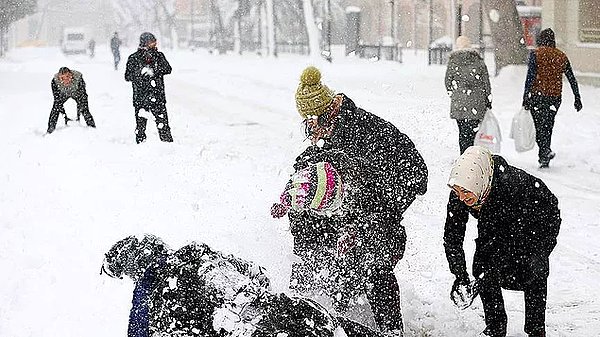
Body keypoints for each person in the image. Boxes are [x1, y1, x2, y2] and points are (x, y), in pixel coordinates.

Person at [285, 66, 428, 336]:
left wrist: (377, 213)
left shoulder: (363, 131)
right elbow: (314, 170)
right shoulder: (332, 133)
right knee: (318, 238)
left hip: (389, 199)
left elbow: (410, 175)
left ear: (327, 114)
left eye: (312, 123)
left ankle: (390, 330)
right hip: (358, 204)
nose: (311, 131)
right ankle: (330, 311)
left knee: (374, 260)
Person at [101, 234, 387, 337]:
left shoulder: (152, 303)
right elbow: (257, 272)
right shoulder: (197, 251)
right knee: (331, 325)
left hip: (253, 330)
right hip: (287, 310)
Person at [443, 146, 561, 337]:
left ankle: (536, 329)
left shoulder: (511, 186)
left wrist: (541, 251)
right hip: (500, 224)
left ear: (479, 182)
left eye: (465, 193)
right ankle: (495, 327)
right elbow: (452, 236)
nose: (462, 198)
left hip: (533, 222)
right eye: (457, 192)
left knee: (533, 269)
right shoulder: (463, 188)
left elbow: (550, 214)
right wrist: (460, 274)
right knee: (482, 266)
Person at [522, 28, 583, 168]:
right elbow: (571, 78)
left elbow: (530, 77)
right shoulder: (561, 56)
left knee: (539, 127)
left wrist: (525, 96)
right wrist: (577, 97)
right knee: (548, 125)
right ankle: (545, 153)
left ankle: (544, 152)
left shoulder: (536, 54)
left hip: (537, 97)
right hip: (554, 98)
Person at [445, 36, 492, 154]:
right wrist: (488, 99)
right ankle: (471, 154)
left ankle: (463, 155)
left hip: (459, 103)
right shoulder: (479, 61)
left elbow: (447, 82)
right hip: (476, 102)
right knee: (472, 133)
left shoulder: (453, 61)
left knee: (462, 132)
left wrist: (455, 94)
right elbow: (486, 83)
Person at [125, 32, 173, 144]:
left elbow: (168, 69)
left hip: (158, 96)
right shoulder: (134, 58)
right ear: (145, 43)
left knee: (163, 124)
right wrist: (140, 74)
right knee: (140, 126)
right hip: (140, 98)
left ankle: (168, 146)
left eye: (155, 41)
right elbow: (127, 76)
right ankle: (141, 147)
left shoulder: (159, 56)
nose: (154, 44)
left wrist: (154, 72)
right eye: (152, 42)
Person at [47, 67, 96, 134]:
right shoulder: (54, 82)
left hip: (77, 92)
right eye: (62, 78)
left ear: (71, 74)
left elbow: (83, 95)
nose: (66, 80)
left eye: (67, 76)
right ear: (59, 77)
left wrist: (79, 112)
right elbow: (57, 99)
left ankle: (92, 128)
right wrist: (65, 116)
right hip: (63, 94)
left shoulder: (78, 78)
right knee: (55, 108)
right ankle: (50, 130)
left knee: (84, 109)